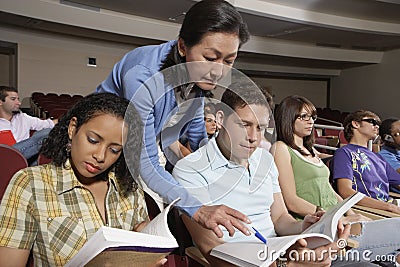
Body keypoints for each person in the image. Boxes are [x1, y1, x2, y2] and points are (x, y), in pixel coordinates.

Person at [96, 0, 252, 237]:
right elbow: (144, 161)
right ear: (182, 46)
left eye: (229, 61)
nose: (219, 71)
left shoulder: (194, 73)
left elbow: (198, 131)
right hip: (109, 143)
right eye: (210, 58)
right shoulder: (144, 76)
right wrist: (198, 210)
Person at [173, 84, 350, 266]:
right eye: (244, 125)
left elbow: (280, 218)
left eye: (261, 128)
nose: (253, 137)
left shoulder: (265, 159)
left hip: (277, 253)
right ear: (220, 119)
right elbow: (211, 246)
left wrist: (305, 226)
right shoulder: (189, 170)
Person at [0, 93, 166, 267]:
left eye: (114, 150)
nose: (100, 156)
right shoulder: (31, 183)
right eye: (93, 140)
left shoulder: (129, 187)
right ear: (72, 128)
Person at [273, 96, 400, 266]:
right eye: (304, 116)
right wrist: (333, 218)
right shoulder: (281, 148)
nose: (310, 121)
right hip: (322, 228)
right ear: (288, 117)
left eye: (312, 117)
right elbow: (292, 201)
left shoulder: (310, 150)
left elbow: (329, 190)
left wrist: (352, 213)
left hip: (339, 220)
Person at [333, 110, 400, 214]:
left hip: (386, 207)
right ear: (355, 124)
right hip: (368, 210)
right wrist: (388, 207)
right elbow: (345, 191)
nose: (377, 126)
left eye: (378, 124)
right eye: (372, 122)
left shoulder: (378, 157)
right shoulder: (344, 153)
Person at [0, 86, 57, 163]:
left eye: (18, 99)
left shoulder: (23, 117)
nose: (19, 103)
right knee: (46, 133)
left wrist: (67, 118)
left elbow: (48, 124)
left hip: (26, 159)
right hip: (4, 159)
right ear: (0, 102)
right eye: (13, 99)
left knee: (49, 133)